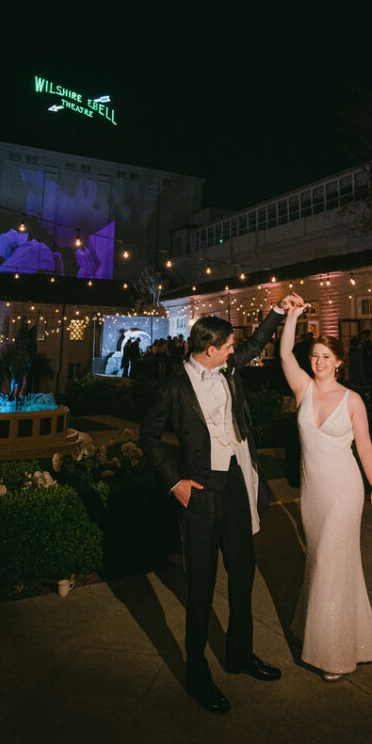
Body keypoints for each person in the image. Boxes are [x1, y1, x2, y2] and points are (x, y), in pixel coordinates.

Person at [140, 295, 302, 713]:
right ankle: (197, 674)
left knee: (243, 574)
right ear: (210, 350)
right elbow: (148, 439)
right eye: (228, 345)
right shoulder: (172, 387)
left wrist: (279, 311)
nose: (235, 349)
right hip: (199, 490)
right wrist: (174, 482)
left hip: (236, 483)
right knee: (199, 586)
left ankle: (239, 654)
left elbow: (256, 344)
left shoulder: (228, 368)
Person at [280, 307, 372, 681]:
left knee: (329, 562)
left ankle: (333, 656)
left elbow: (366, 448)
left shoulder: (352, 400)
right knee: (326, 564)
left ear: (339, 362)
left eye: (326, 357)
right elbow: (282, 354)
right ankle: (342, 635)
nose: (319, 362)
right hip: (313, 496)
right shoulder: (302, 389)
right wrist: (291, 315)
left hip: (345, 490)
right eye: (314, 356)